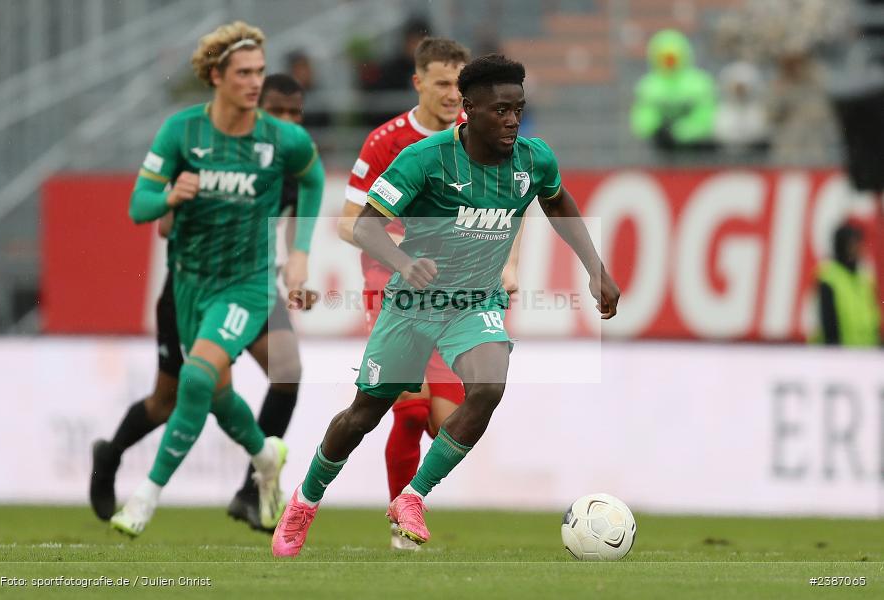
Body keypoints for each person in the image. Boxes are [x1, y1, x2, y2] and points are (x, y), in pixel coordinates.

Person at [272, 54, 620, 557]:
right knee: (363, 414)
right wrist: (403, 262)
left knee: (489, 386)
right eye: (501, 110)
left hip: (475, 301)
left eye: (518, 109)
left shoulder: (533, 158)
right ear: (470, 107)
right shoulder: (425, 159)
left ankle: (412, 497)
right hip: (412, 303)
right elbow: (366, 224)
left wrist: (595, 267)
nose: (512, 120)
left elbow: (558, 200)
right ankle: (304, 502)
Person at [108, 22, 325, 537]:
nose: (255, 83)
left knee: (199, 377)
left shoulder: (282, 138)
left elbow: (314, 178)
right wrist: (170, 198)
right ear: (215, 76)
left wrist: (299, 254)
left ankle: (144, 496)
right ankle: (264, 455)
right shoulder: (181, 132)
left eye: (259, 72)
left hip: (246, 284)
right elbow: (139, 206)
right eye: (244, 73)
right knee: (218, 394)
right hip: (189, 283)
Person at [338, 37, 520, 551]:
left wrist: (506, 262)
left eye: (457, 85)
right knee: (411, 408)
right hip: (395, 285)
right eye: (441, 83)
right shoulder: (386, 141)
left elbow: (514, 204)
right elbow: (349, 223)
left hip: (462, 291)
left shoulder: (485, 144)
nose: (450, 94)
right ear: (418, 82)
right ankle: (402, 527)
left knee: (447, 418)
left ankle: (412, 498)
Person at [630, 29, 717, 153]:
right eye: (664, 58)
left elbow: (707, 116)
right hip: (660, 148)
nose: (669, 63)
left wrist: (680, 132)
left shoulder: (699, 83)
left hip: (697, 147)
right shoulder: (648, 86)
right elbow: (643, 118)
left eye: (672, 58)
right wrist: (657, 129)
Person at [814, 223, 880, 346]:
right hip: (842, 358)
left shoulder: (865, 278)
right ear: (842, 247)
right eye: (853, 245)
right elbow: (829, 325)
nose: (859, 249)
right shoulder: (829, 278)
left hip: (868, 356)